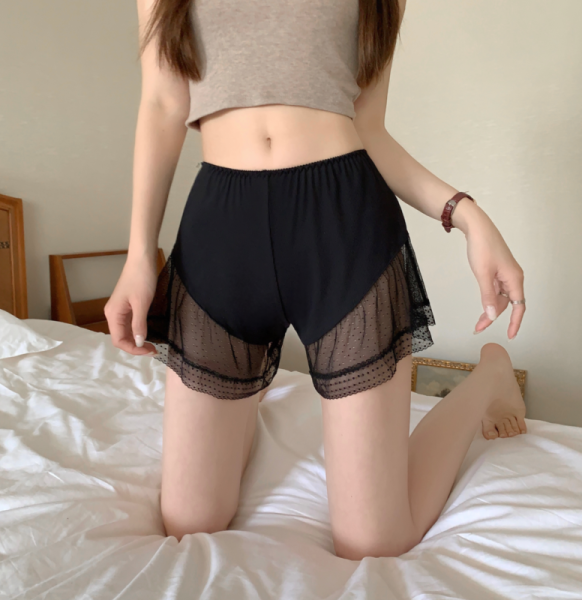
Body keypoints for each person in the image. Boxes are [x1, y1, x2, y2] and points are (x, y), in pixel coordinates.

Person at [104, 0, 527, 560]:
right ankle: (244, 398)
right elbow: (163, 103)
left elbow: (369, 129)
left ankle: (490, 375)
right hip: (221, 233)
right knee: (189, 523)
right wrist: (139, 255)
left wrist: (467, 214)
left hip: (346, 228)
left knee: (374, 542)